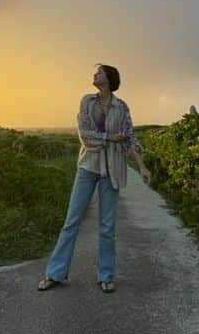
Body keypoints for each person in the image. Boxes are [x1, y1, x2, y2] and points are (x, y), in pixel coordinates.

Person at [37, 63, 151, 294]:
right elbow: (85, 136)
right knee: (72, 221)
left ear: (109, 79)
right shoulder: (86, 101)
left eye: (99, 72)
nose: (94, 75)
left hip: (112, 170)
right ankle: (54, 273)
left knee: (107, 226)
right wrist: (110, 137)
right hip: (88, 167)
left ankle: (106, 275)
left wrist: (142, 166)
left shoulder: (122, 107)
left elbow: (129, 139)